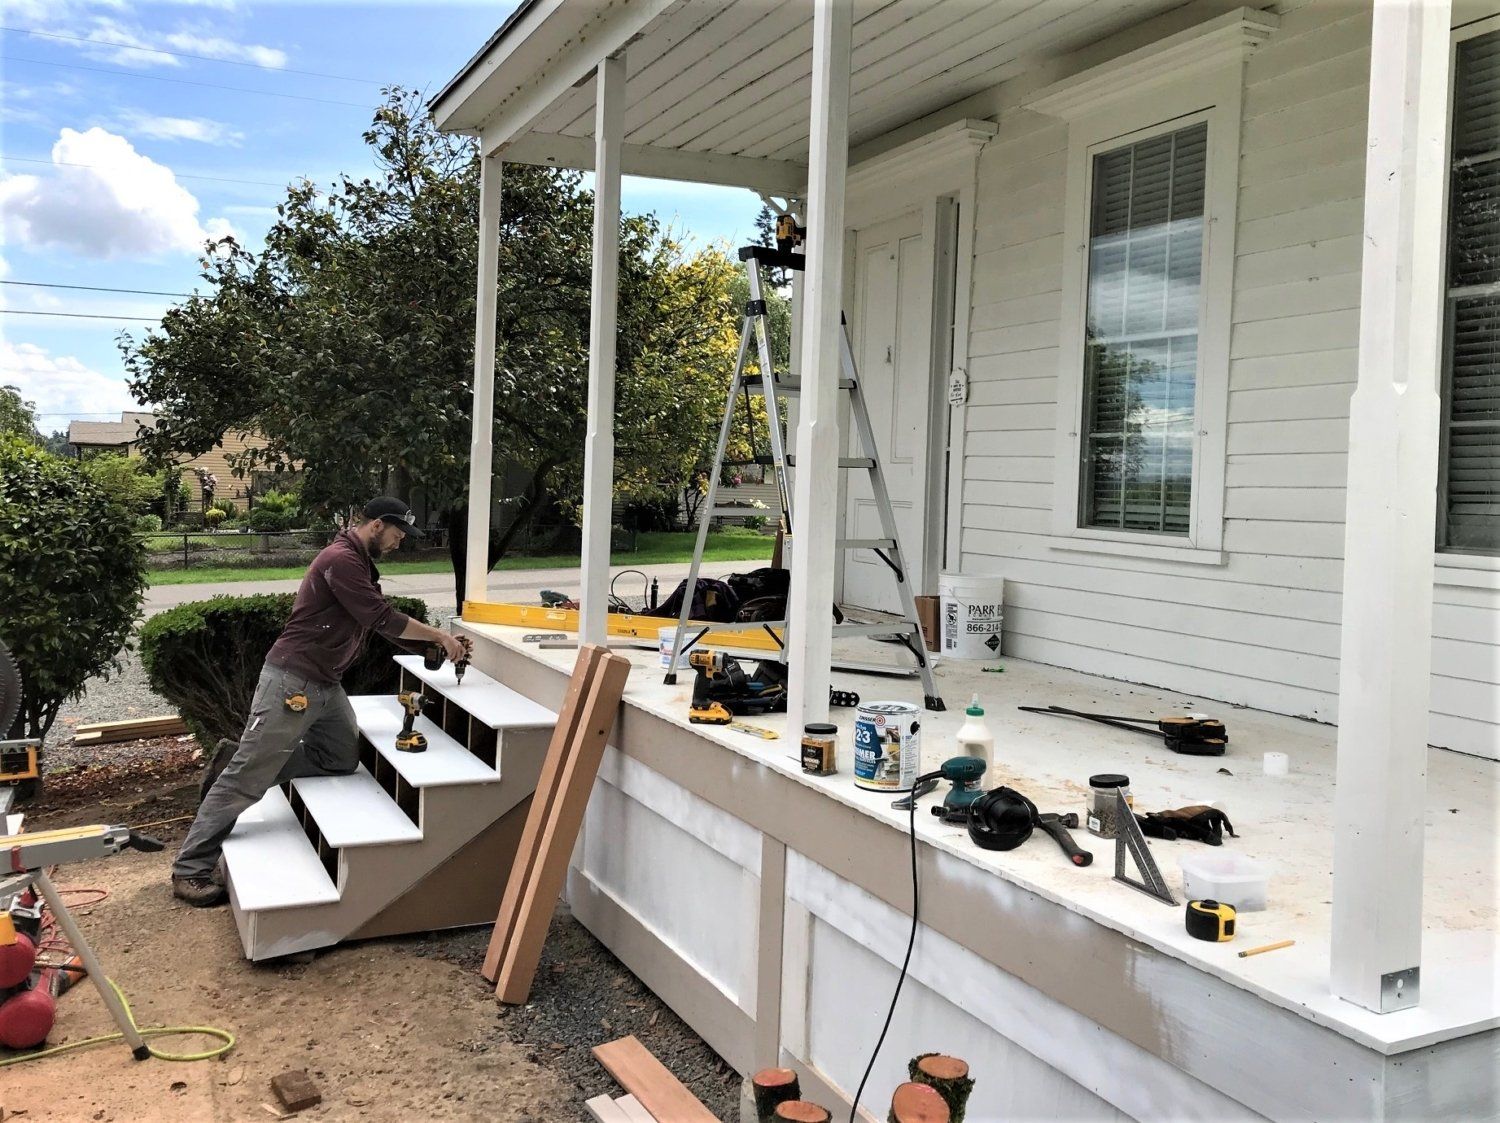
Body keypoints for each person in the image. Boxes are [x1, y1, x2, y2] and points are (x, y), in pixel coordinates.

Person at [171, 497, 465, 907]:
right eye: (398, 535)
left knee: (340, 757)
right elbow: (380, 616)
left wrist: (425, 650)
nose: (401, 543)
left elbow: (375, 622)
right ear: (377, 525)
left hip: (325, 685)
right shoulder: (340, 559)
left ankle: (241, 762)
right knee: (247, 780)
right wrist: (439, 636)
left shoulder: (360, 562)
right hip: (293, 680)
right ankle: (191, 868)